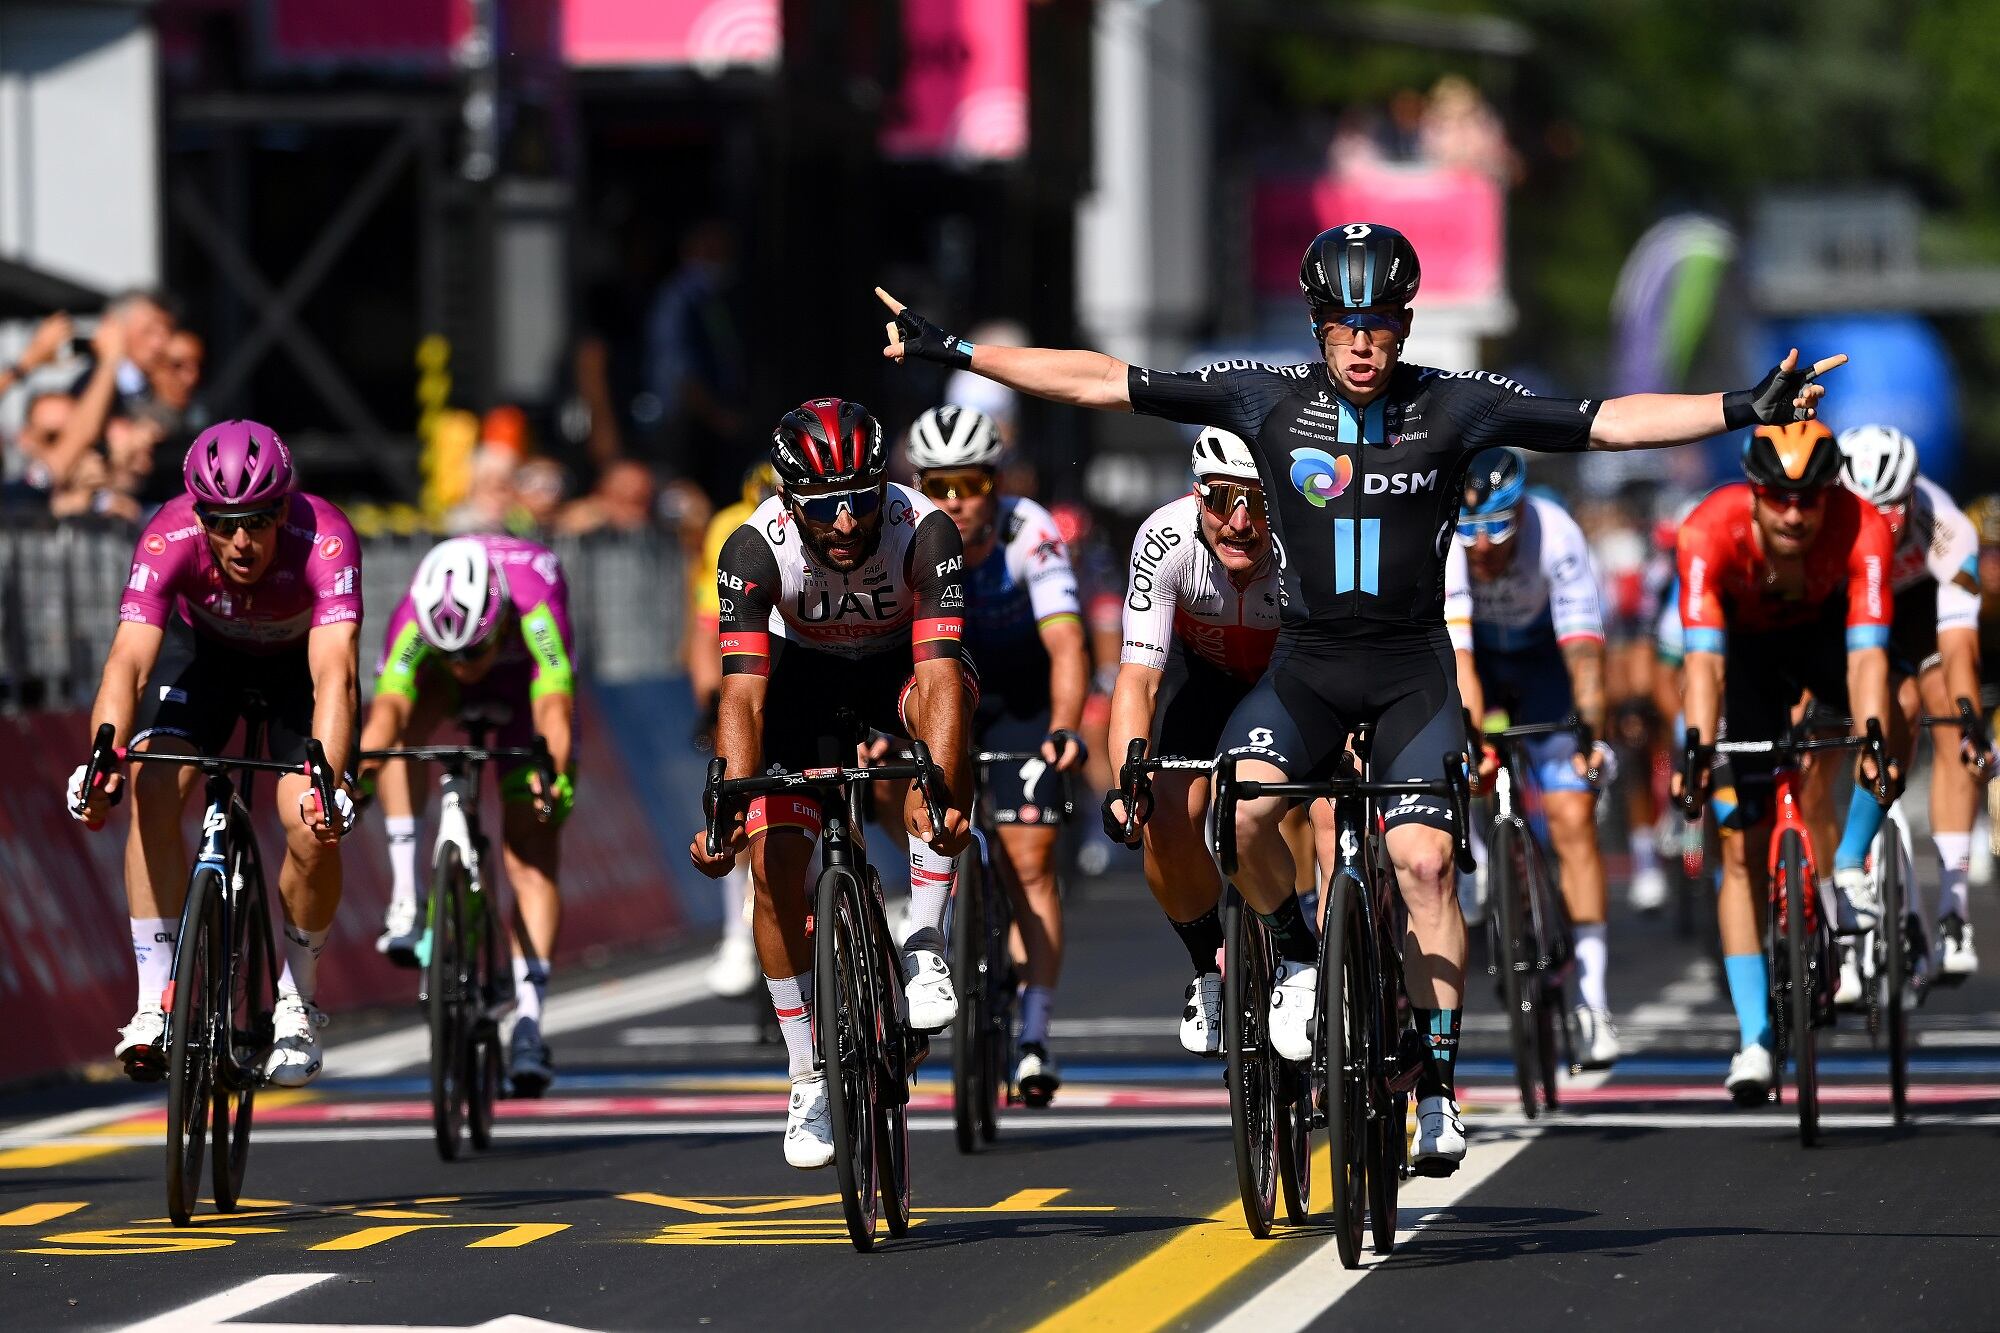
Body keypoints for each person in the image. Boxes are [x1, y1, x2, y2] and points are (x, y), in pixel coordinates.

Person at [877, 220, 1843, 1175]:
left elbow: (1603, 419)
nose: (1363, 342)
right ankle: (1296, 952)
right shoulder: (1265, 399)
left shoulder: (1456, 406)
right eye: (1344, 324)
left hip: (1414, 672)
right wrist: (958, 351)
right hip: (1305, 670)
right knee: (1244, 810)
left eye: (1380, 322)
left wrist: (1740, 406)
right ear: (1316, 325)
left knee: (1423, 864)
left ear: (1407, 322)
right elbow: (1100, 378)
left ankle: (1438, 1090)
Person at [686, 398, 972, 1170]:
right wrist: (727, 809)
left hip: (897, 668)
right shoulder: (753, 547)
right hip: (798, 681)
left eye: (861, 502)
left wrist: (939, 786)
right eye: (824, 508)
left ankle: (923, 939)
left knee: (949, 716)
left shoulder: (927, 528)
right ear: (788, 501)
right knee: (774, 864)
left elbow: (939, 674)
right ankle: (807, 1071)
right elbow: (741, 695)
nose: (846, 523)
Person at [66, 420, 360, 1086]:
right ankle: (151, 1004)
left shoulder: (327, 537)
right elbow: (128, 660)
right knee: (150, 781)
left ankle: (297, 997)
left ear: (284, 508)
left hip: (296, 669)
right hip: (202, 658)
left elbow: (335, 671)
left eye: (258, 520)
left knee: (309, 824)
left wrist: (327, 779)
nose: (241, 540)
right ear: (199, 515)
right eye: (223, 523)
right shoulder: (167, 534)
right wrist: (101, 758)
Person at [1672, 421, 1896, 1103]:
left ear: (1832, 492)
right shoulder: (1706, 532)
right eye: (1777, 497)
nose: (1794, 513)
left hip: (1829, 644)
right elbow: (1704, 664)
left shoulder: (1865, 528)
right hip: (1746, 662)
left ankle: (1851, 863)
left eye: (1810, 497)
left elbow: (1866, 658)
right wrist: (1697, 748)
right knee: (1739, 847)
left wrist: (1872, 737)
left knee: (1901, 705)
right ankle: (1755, 1039)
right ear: (1753, 492)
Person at [906, 403, 1087, 1105]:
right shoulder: (910, 535)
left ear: (996, 483)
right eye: (938, 486)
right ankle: (926, 907)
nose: (953, 501)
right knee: (901, 790)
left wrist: (1066, 725)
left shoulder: (1029, 529)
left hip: (1018, 702)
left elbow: (1067, 642)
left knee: (1031, 858)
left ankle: (1035, 1032)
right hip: (937, 689)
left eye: (969, 485)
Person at [359, 535, 578, 1094]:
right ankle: (408, 897)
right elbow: (386, 708)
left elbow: (554, 701)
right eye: (450, 654)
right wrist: (354, 777)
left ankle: (528, 1022)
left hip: (522, 683)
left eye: (472, 652)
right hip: (436, 687)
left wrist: (551, 774)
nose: (463, 666)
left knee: (529, 848)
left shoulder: (534, 592)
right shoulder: (417, 613)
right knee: (394, 743)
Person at [1103, 428, 1286, 1055]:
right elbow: (1137, 676)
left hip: (1287, 678)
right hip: (1198, 676)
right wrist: (1126, 782)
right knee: (1163, 812)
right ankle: (1208, 965)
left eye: (1258, 503)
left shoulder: (1301, 543)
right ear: (1196, 495)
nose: (1239, 522)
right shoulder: (1166, 537)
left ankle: (1312, 956)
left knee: (1311, 807)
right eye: (1221, 500)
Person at [1444, 447, 1622, 1069]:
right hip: (1481, 671)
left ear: (1520, 512)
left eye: (1498, 526)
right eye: (1470, 529)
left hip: (1546, 665)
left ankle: (1592, 1003)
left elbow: (1583, 653)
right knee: (1463, 762)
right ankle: (1480, 856)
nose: (1483, 544)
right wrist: (1476, 743)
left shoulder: (1557, 533)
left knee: (1572, 817)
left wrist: (1590, 736)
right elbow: (1460, 662)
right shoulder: (1450, 548)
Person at [1833, 425, 1987, 983]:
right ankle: (1827, 903)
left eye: (1891, 511)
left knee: (1947, 704)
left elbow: (1960, 644)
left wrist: (1971, 721)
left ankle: (1952, 910)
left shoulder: (1947, 528)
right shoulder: (1824, 523)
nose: (1880, 524)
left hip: (1921, 611)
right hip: (1851, 614)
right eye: (1865, 512)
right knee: (1825, 722)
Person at [685, 461, 779, 999]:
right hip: (747, 657)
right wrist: (709, 698)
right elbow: (707, 622)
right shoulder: (732, 530)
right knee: (734, 790)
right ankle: (735, 937)